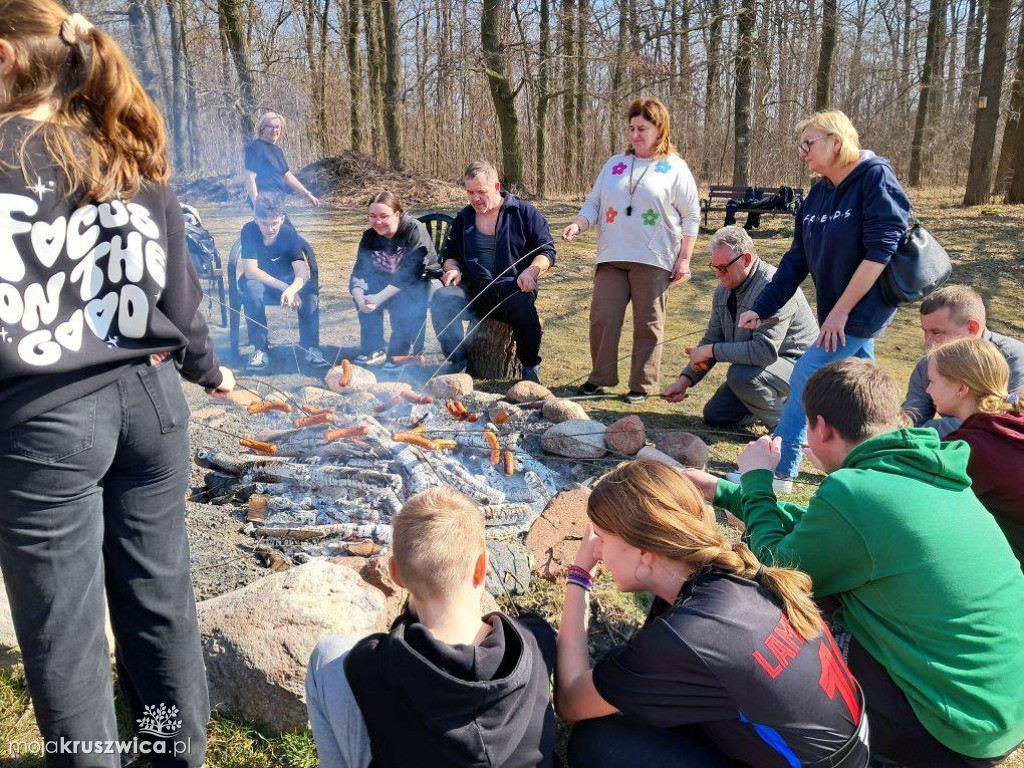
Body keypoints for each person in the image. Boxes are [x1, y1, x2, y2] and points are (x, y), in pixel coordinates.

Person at [0, 3, 235, 765]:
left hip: (45, 424)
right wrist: (208, 369)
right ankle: (171, 757)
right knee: (159, 606)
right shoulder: (122, 151)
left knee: (65, 632)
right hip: (152, 408)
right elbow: (180, 292)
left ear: (5, 57)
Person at [683, 359, 1024, 767]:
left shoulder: (856, 491)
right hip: (999, 714)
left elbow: (775, 570)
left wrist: (756, 480)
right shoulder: (924, 469)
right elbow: (828, 533)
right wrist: (725, 493)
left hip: (948, 732)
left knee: (777, 623)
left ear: (821, 428)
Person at [556, 459, 868, 768]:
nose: (596, 550)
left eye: (602, 538)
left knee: (597, 742)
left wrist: (579, 575)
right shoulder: (736, 576)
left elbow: (570, 702)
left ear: (642, 552)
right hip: (852, 750)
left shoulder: (684, 635)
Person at [305, 487, 557, 768]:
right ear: (482, 566)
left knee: (327, 654)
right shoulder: (538, 639)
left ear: (395, 573)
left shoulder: (371, 667)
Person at [737, 110, 911, 491]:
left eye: (809, 143)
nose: (803, 152)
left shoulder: (874, 177)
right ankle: (881, 463)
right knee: (863, 392)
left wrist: (841, 312)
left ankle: (780, 469)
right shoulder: (817, 193)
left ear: (837, 141)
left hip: (864, 307)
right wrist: (761, 307)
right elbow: (796, 258)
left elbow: (881, 252)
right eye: (801, 145)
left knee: (808, 374)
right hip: (837, 309)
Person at [563, 97, 700, 404]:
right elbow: (594, 202)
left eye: (642, 128)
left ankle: (642, 384)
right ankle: (600, 377)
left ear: (659, 129)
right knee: (602, 318)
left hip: (654, 257)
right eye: (631, 128)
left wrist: (685, 259)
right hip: (612, 254)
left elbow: (691, 216)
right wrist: (579, 223)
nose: (635, 135)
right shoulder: (615, 165)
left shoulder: (675, 168)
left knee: (648, 323)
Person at [661, 226, 817, 429]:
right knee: (716, 415)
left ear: (747, 259)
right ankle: (773, 407)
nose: (717, 274)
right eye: (714, 267)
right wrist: (685, 381)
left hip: (803, 368)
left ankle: (790, 431)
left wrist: (711, 351)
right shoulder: (723, 290)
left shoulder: (775, 287)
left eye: (723, 268)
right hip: (766, 371)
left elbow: (764, 352)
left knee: (741, 375)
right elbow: (713, 338)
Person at [429, 160, 555, 383]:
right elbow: (450, 255)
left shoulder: (523, 212)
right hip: (473, 290)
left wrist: (532, 272)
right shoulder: (464, 218)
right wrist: (452, 270)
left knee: (523, 306)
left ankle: (529, 366)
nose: (475, 198)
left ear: (497, 187)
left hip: (511, 288)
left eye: (481, 192)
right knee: (442, 298)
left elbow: (546, 250)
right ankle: (457, 360)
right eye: (470, 192)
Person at [928, 336, 1024, 567]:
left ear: (961, 388)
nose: (927, 389)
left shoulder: (967, 449)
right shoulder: (1013, 421)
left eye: (932, 381)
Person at [903, 284, 1024, 436]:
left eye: (937, 332)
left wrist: (926, 434)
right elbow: (911, 419)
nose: (928, 342)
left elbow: (1006, 419)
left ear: (972, 328)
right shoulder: (928, 365)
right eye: (925, 332)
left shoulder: (1014, 359)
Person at [239, 193, 327, 370]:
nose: (270, 228)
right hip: (262, 282)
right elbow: (251, 271)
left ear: (282, 218)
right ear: (256, 219)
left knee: (309, 295)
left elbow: (302, 272)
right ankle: (260, 349)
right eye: (264, 223)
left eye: (274, 223)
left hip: (288, 280)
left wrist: (292, 289)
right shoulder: (248, 231)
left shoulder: (288, 233)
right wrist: (284, 288)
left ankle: (311, 347)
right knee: (251, 290)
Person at [349, 191, 435, 369]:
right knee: (364, 294)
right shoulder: (369, 237)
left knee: (405, 298)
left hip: (421, 282)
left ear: (397, 214)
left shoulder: (413, 230)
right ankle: (375, 349)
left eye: (383, 216)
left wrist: (379, 297)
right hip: (385, 282)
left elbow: (411, 273)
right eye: (372, 216)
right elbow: (359, 272)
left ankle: (401, 354)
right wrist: (360, 299)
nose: (377, 222)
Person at [243, 110, 320, 208]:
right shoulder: (256, 148)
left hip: (276, 203)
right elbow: (249, 177)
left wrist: (307, 194)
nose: (274, 130)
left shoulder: (277, 151)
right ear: (262, 128)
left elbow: (287, 176)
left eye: (277, 127)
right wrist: (257, 205)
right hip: (264, 204)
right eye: (270, 126)